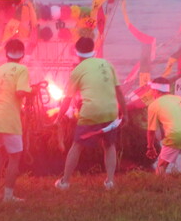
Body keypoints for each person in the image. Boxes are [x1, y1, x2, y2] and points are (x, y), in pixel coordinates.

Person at [54, 37, 128, 191]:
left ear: (77, 52)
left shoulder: (77, 70)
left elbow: (67, 99)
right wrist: (125, 113)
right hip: (110, 111)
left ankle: (65, 182)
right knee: (109, 145)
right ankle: (110, 182)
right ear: (93, 49)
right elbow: (119, 92)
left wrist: (58, 117)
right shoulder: (107, 64)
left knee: (77, 145)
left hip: (91, 113)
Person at [0, 39, 32, 202]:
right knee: (15, 157)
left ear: (6, 54)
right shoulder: (22, 69)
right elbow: (20, 92)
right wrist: (32, 91)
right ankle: (9, 196)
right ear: (23, 54)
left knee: (2, 152)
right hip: (8, 117)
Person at [146, 77, 181, 175]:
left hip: (175, 135)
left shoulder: (154, 105)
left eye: (151, 90)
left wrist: (150, 147)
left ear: (155, 90)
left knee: (161, 166)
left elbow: (151, 131)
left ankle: (158, 188)